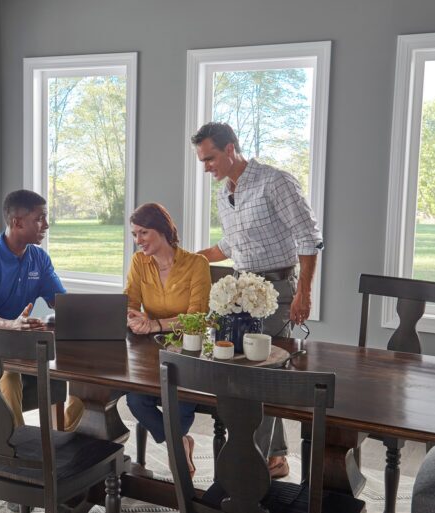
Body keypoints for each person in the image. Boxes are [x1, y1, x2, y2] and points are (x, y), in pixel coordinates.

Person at [192, 121, 324, 478]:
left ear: (231, 148)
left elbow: (309, 238)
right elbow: (230, 246)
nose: (206, 167)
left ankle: (251, 466)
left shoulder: (275, 181)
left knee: (256, 375)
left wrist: (303, 293)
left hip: (278, 291)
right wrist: (189, 259)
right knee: (249, 372)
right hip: (240, 291)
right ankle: (275, 457)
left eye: (210, 158)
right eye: (202, 161)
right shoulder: (225, 193)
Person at [0, 189, 82, 430]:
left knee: (82, 366)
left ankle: (66, 437)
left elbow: (62, 302)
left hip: (19, 346)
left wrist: (92, 316)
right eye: (39, 218)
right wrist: (11, 325)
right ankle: (17, 450)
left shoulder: (39, 259)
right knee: (8, 376)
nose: (46, 225)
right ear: (17, 222)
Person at [123, 202, 212, 478]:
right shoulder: (140, 262)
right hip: (149, 351)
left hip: (189, 352)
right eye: (135, 234)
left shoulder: (197, 264)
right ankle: (180, 444)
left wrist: (155, 324)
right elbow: (129, 302)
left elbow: (197, 318)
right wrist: (132, 317)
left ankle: (175, 446)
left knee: (180, 403)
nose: (138, 241)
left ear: (162, 230)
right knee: (135, 401)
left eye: (144, 233)